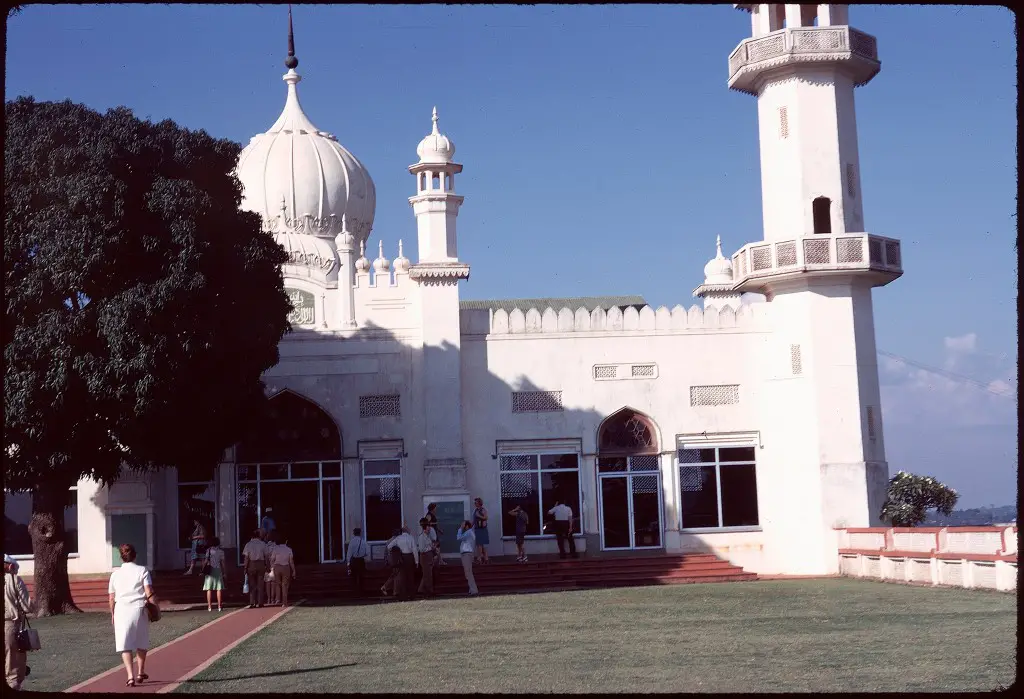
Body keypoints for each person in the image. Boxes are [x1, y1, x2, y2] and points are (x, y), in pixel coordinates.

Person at [108, 544, 155, 687]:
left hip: (121, 610)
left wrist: (113, 614)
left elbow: (111, 597)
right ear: (135, 555)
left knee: (125, 644)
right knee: (141, 641)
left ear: (121, 557)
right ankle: (141, 671)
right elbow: (149, 591)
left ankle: (130, 676)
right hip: (139, 609)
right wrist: (154, 607)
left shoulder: (115, 574)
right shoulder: (142, 570)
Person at [4, 554, 35, 691]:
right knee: (14, 662)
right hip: (10, 624)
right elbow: (27, 606)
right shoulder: (15, 580)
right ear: (10, 566)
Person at [390, 526, 418, 601]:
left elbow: (389, 546)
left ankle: (403, 596)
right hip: (409, 557)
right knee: (410, 577)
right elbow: (414, 549)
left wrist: (397, 551)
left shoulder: (398, 538)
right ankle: (412, 595)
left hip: (402, 558)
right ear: (407, 531)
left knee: (403, 578)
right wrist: (416, 561)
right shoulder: (410, 538)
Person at [241, 529, 268, 608]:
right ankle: (260, 602)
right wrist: (267, 565)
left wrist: (245, 568)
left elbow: (246, 558)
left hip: (251, 564)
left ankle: (252, 602)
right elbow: (266, 556)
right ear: (259, 536)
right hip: (261, 564)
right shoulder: (263, 544)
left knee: (252, 584)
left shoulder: (248, 544)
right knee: (260, 584)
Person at [270, 535, 296, 607]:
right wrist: (293, 571)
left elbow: (272, 559)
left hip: (277, 567)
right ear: (286, 541)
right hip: (286, 567)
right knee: (285, 585)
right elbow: (291, 561)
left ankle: (277, 599)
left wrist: (272, 568)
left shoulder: (275, 549)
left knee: (277, 584)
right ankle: (285, 602)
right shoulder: (289, 549)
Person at [202, 537, 227, 612]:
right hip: (218, 570)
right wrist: (224, 572)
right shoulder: (221, 552)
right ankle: (219, 606)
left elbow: (206, 561)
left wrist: (202, 570)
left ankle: (209, 606)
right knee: (218, 588)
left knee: (209, 588)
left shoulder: (208, 550)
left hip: (209, 571)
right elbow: (223, 563)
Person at [456, 520, 479, 596]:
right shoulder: (469, 533)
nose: (462, 526)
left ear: (466, 526)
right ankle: (471, 589)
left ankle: (474, 590)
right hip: (467, 554)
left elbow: (459, 538)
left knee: (468, 572)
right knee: (468, 572)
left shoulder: (468, 532)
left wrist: (460, 529)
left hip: (467, 554)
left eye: (463, 525)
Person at [345, 528, 368, 596]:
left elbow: (349, 553)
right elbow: (367, 552)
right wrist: (362, 554)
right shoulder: (363, 541)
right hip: (361, 560)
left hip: (354, 561)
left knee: (354, 577)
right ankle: (361, 591)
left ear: (354, 533)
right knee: (361, 576)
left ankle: (354, 592)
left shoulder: (352, 542)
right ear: (360, 533)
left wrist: (348, 562)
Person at [416, 518, 436, 597]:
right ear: (424, 529)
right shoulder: (421, 537)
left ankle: (422, 589)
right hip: (424, 557)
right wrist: (430, 548)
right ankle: (429, 591)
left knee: (428, 574)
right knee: (427, 575)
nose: (429, 530)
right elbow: (422, 549)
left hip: (429, 556)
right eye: (428, 528)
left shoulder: (427, 537)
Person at [380, 528, 403, 598]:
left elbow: (385, 552)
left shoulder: (388, 541)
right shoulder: (398, 540)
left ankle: (390, 589)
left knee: (394, 574)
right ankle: (392, 590)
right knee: (396, 574)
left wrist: (386, 561)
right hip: (396, 560)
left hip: (390, 560)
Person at [472, 498, 490, 564]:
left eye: (476, 502)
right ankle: (484, 558)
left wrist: (479, 515)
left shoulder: (483, 510)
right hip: (477, 529)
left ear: (479, 503)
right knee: (479, 544)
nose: (475, 503)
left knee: (481, 544)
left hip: (482, 529)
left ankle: (481, 558)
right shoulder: (475, 510)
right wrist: (470, 527)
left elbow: (486, 517)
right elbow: (474, 520)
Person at [263, 536, 278, 606]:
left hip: (267, 567)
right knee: (273, 584)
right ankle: (272, 599)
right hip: (274, 567)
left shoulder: (265, 547)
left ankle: (268, 598)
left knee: (267, 584)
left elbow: (265, 557)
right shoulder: (276, 547)